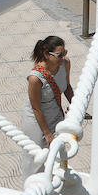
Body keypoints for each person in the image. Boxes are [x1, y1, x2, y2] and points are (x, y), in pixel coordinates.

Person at [21, 36, 75, 178]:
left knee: (56, 154)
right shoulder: (35, 78)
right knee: (35, 158)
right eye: (59, 55)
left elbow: (67, 87)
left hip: (55, 114)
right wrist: (47, 133)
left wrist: (74, 105)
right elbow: (36, 108)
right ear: (46, 54)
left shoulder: (65, 64)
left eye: (65, 53)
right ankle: (31, 189)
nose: (63, 57)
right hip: (36, 119)